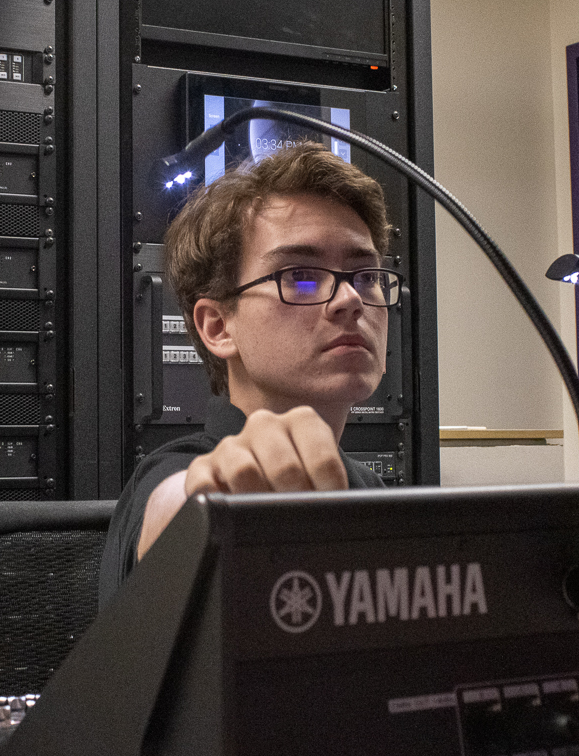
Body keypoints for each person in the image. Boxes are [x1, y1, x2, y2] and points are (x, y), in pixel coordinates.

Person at [99, 140, 401, 605]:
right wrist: (207, 506)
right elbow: (176, 507)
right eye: (300, 276)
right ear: (217, 327)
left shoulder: (369, 488)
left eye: (366, 276)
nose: (351, 299)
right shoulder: (174, 475)